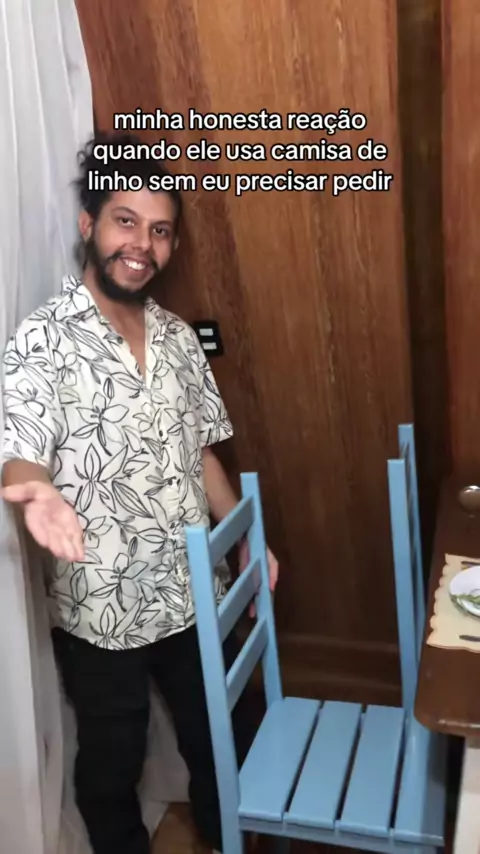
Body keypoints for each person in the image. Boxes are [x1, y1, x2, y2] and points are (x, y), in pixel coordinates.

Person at [0, 132, 279, 854]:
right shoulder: (42, 340)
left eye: (159, 231)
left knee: (225, 734)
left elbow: (201, 452)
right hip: (102, 608)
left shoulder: (179, 337)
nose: (142, 244)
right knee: (111, 762)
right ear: (89, 224)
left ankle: (228, 837)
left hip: (194, 591)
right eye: (125, 221)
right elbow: (20, 456)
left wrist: (246, 536)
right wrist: (36, 493)